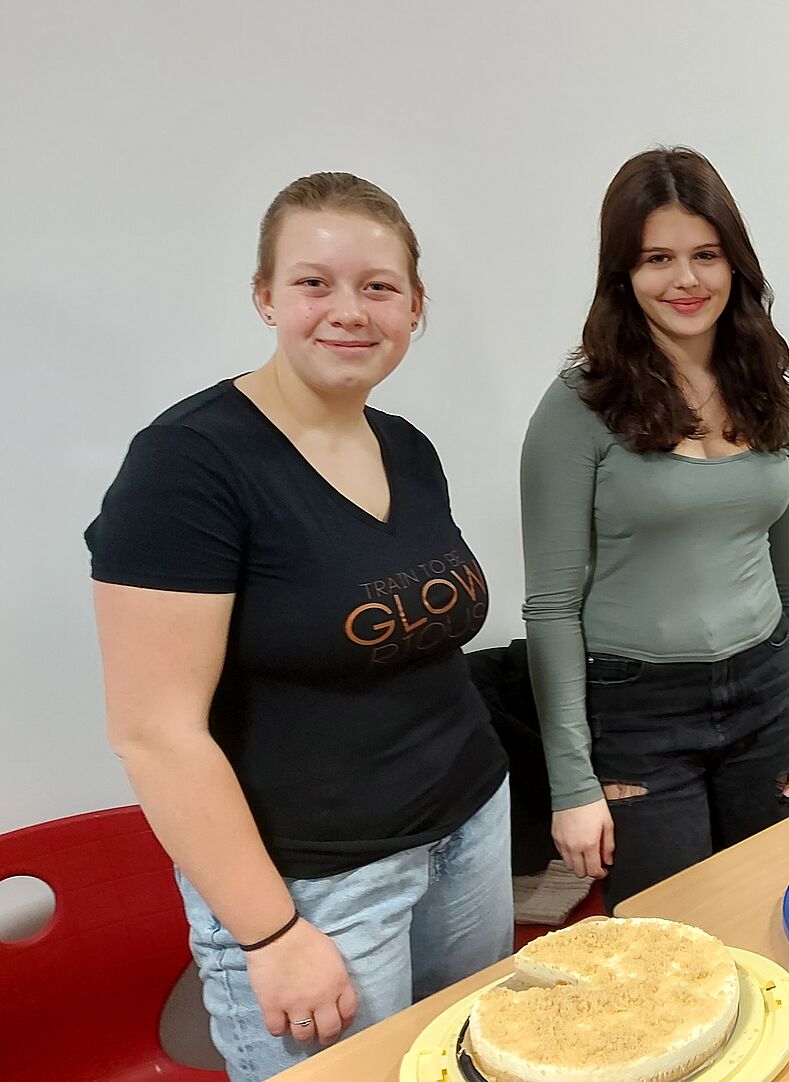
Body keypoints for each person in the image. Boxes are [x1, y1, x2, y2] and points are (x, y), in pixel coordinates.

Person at [87, 173, 511, 1081]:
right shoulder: (188, 466)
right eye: (315, 282)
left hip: (466, 832)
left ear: (415, 306)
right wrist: (271, 932)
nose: (349, 312)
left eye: (379, 286)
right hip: (318, 885)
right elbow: (153, 732)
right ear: (265, 297)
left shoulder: (404, 444)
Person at [521, 148, 789, 911]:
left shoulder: (771, 396)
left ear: (736, 265)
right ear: (623, 273)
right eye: (657, 258)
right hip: (639, 710)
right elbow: (551, 607)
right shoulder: (577, 409)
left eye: (705, 255)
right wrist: (572, 782)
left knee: (771, 907)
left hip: (762, 693)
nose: (685, 281)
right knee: (671, 936)